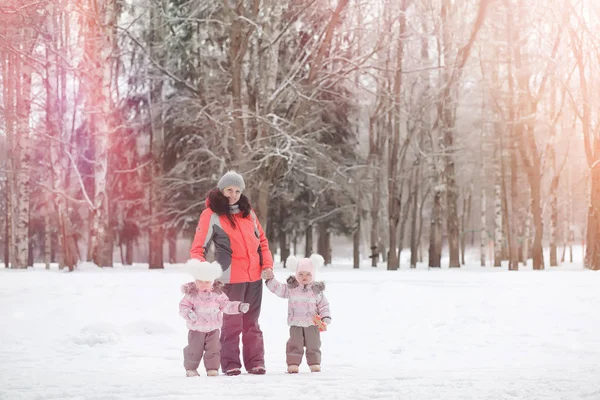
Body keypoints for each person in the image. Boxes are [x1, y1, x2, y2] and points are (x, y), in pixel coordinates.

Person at [190, 170, 274, 376]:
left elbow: (262, 241)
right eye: (229, 190)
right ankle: (231, 364)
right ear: (221, 190)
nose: (234, 194)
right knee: (231, 323)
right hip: (229, 278)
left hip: (254, 277)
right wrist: (204, 272)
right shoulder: (211, 215)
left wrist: (267, 266)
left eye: (237, 190)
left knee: (252, 323)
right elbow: (198, 248)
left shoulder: (248, 213)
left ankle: (255, 362)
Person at [179, 259, 250, 377]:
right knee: (194, 350)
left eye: (207, 282)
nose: (203, 284)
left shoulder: (218, 295)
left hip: (213, 329)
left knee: (214, 350)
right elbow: (183, 307)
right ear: (195, 281)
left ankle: (212, 369)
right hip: (196, 329)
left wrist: (239, 307)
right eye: (200, 281)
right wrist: (189, 314)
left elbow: (226, 305)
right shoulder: (192, 294)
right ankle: (191, 369)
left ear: (212, 282)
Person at [264, 254, 331, 374]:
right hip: (296, 323)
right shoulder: (292, 288)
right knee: (295, 344)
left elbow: (324, 305)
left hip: (312, 324)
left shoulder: (316, 291)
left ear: (313, 275)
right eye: (301, 274)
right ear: (296, 274)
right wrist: (270, 280)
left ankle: (314, 363)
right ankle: (293, 364)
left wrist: (325, 317)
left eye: (308, 274)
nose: (304, 277)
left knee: (314, 344)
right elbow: (279, 289)